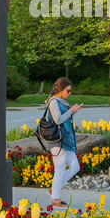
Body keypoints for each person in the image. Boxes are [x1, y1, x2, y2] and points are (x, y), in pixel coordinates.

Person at [44, 77, 82, 208]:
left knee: (75, 167)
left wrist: (73, 111)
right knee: (59, 170)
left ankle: (53, 190)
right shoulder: (54, 101)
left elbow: (66, 119)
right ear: (60, 89)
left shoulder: (62, 101)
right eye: (68, 90)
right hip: (57, 141)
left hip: (66, 140)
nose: (69, 93)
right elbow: (58, 120)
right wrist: (70, 111)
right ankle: (56, 200)